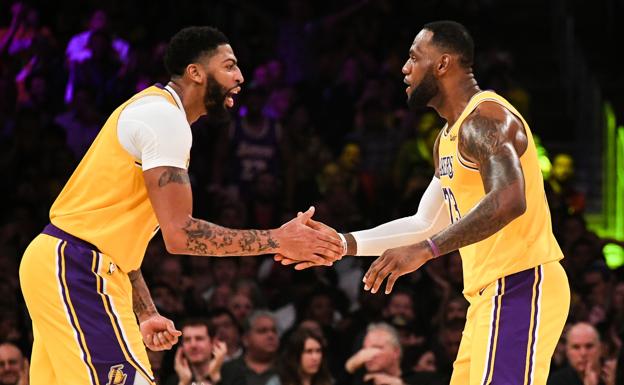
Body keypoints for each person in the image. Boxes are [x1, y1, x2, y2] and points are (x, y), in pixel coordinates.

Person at [19, 26, 342, 385]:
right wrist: (277, 239)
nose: (240, 76)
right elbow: (180, 234)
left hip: (71, 263)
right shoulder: (164, 118)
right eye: (230, 66)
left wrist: (145, 311)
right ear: (196, 72)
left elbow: (117, 238)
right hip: (77, 266)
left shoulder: (158, 114)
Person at [277, 20, 570, 385]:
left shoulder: (484, 120)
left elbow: (509, 201)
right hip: (486, 296)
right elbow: (425, 223)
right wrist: (342, 243)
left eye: (414, 58)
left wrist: (427, 250)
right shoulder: (446, 139)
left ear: (443, 64)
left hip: (520, 282)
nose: (405, 68)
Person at [220, 311, 280, 385]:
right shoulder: (229, 370)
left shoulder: (288, 369)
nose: (271, 335)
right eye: (262, 331)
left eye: (274, 331)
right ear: (246, 339)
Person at [547, 322, 616, 385]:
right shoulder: (557, 381)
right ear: (567, 352)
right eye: (576, 347)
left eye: (589, 346)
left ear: (600, 349)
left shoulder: (614, 375)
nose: (583, 353)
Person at [166, 318, 227, 385]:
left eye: (199, 338)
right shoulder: (172, 382)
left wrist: (215, 377)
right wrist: (183, 383)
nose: (193, 345)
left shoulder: (233, 374)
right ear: (181, 346)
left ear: (213, 343)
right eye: (187, 340)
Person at [268, 328, 332, 385]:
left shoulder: (328, 381)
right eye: (308, 351)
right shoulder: (277, 382)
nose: (315, 357)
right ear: (295, 355)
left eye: (318, 351)